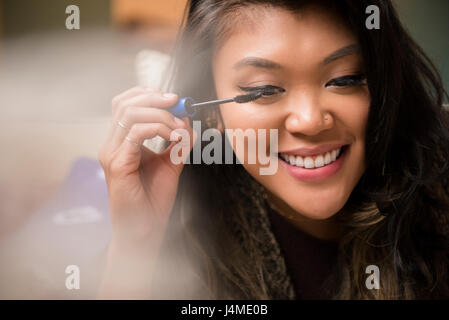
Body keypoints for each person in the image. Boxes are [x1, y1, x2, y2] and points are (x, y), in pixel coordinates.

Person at [97, 0, 449, 299]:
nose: (311, 121)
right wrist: (136, 244)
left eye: (345, 79)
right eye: (264, 89)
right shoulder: (186, 238)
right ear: (210, 111)